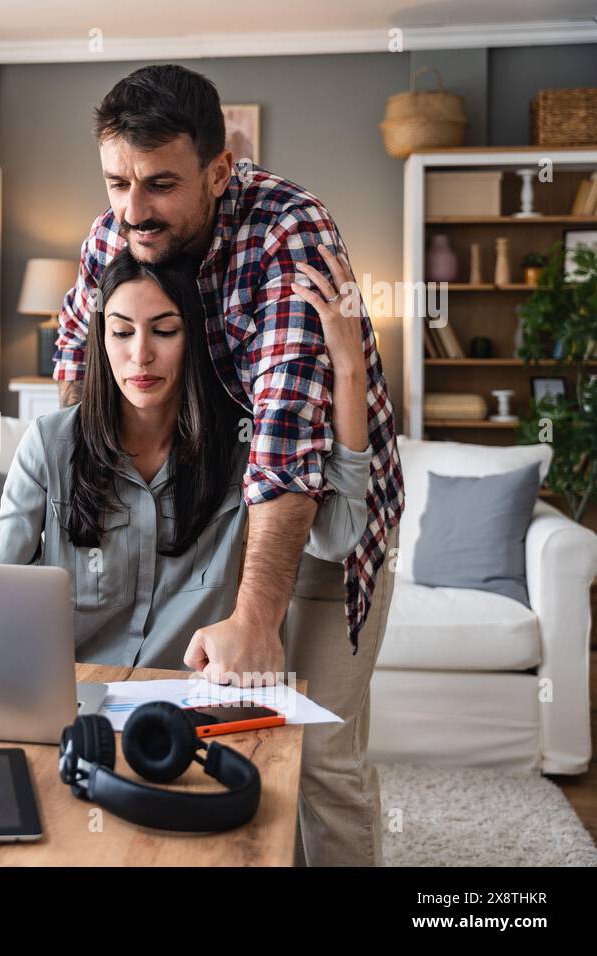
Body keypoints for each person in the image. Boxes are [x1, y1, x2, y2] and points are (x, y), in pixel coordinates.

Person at [48, 64, 404, 867]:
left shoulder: (289, 227)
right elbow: (76, 370)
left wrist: (253, 617)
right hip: (220, 518)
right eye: (117, 183)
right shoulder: (115, 235)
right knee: (236, 747)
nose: (134, 211)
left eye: (161, 185)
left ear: (220, 168)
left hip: (336, 519)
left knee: (322, 760)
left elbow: (284, 431)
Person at [0, 249, 371, 670]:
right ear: (101, 338)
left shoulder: (244, 444)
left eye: (164, 331)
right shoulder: (49, 442)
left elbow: (338, 536)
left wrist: (350, 367)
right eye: (122, 332)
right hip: (74, 699)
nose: (141, 354)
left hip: (188, 708)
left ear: (195, 338)